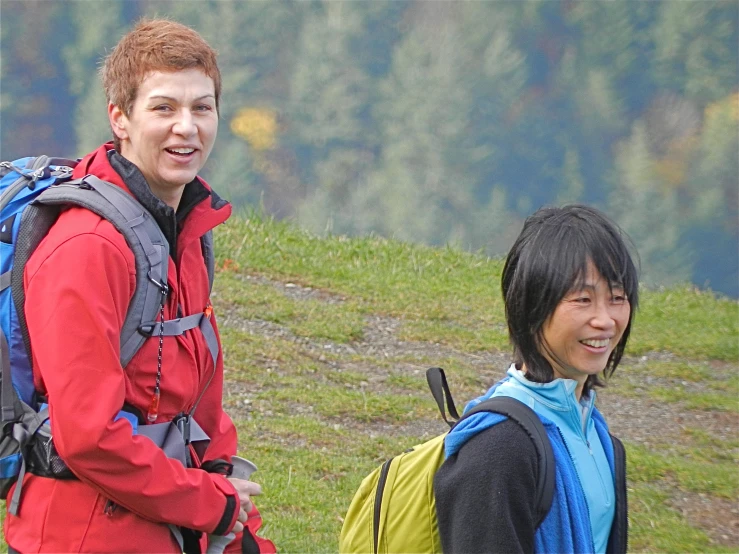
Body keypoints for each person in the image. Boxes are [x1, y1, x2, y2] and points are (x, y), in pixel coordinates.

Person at [3, 19, 272, 553]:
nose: (187, 128)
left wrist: (238, 522)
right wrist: (211, 504)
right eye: (164, 108)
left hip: (164, 517)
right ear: (120, 118)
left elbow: (199, 404)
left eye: (202, 107)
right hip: (82, 532)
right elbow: (86, 436)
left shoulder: (185, 229)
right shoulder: (87, 247)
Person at [434, 204, 637, 554]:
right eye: (583, 299)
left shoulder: (596, 433)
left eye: (617, 298)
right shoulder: (497, 450)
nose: (605, 320)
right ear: (532, 306)